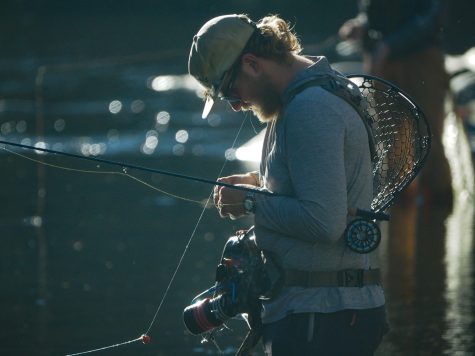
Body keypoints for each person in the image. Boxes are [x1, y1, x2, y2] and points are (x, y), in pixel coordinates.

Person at [188, 14, 387, 355]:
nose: (236, 105)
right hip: (321, 314)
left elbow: (323, 221)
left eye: (229, 91)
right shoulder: (309, 93)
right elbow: (323, 180)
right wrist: (260, 182)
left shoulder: (309, 110)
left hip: (322, 319)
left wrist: (251, 201)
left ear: (251, 64)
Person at [339, 0, 453, 205]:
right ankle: (396, 211)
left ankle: (438, 213)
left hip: (421, 61)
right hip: (383, 64)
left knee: (429, 138)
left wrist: (389, 46)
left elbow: (431, 18)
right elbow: (374, 12)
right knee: (390, 144)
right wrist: (362, 25)